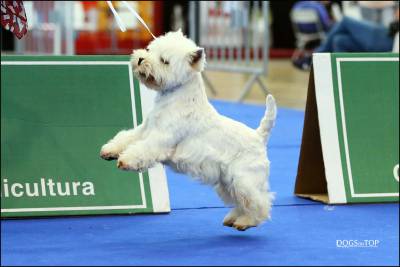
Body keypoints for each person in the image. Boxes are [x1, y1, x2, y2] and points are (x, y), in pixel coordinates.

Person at [293, 8, 399, 70]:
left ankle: (315, 57)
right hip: (389, 32)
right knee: (339, 40)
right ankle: (340, 75)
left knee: (346, 21)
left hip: (390, 38)